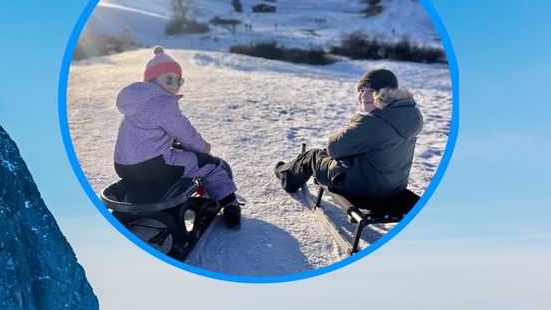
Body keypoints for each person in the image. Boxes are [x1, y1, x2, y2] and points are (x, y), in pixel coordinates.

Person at [114, 46, 241, 228]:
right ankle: (230, 204)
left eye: (178, 80)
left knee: (178, 158)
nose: (174, 85)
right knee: (210, 165)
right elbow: (186, 134)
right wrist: (203, 148)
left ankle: (160, 188)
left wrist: (170, 143)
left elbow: (148, 133)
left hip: (124, 167)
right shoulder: (163, 103)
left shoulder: (137, 103)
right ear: (152, 80)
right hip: (154, 166)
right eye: (168, 79)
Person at [275, 68, 424, 200]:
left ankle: (286, 176)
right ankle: (290, 168)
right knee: (345, 151)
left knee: (313, 156)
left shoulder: (371, 123)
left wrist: (357, 121)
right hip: (394, 187)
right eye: (361, 90)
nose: (363, 96)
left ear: (386, 94)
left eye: (371, 91)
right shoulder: (411, 116)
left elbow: (334, 148)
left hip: (363, 190)